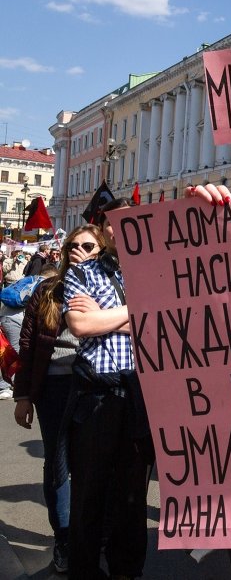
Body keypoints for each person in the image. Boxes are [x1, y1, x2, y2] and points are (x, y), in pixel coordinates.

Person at [61, 198, 152, 580]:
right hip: (97, 395)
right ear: (105, 230)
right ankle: (84, 569)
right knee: (89, 493)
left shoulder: (152, 270)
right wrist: (141, 312)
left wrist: (105, 317)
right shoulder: (81, 273)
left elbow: (168, 319)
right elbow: (81, 327)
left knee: (133, 496)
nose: (123, 229)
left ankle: (126, 571)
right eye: (116, 224)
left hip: (139, 397)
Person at [12, 225, 103, 574]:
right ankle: (64, 538)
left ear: (101, 251)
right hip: (54, 388)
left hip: (95, 385)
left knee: (93, 466)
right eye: (74, 245)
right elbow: (28, 344)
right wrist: (23, 396)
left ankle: (91, 538)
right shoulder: (48, 290)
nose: (80, 250)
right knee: (58, 465)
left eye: (89, 246)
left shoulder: (109, 289)